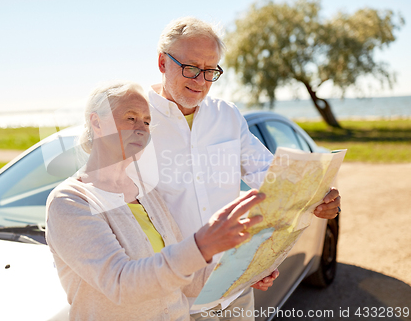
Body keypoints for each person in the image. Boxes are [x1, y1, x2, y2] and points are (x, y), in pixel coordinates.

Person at [130, 17, 342, 320]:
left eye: (210, 71)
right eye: (190, 68)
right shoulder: (134, 121)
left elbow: (272, 178)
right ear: (163, 62)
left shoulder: (227, 116)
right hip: (174, 301)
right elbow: (117, 211)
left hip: (234, 293)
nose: (200, 81)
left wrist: (319, 197)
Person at [46, 81, 267, 321]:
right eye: (130, 118)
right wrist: (201, 246)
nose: (141, 129)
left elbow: (187, 278)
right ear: (97, 123)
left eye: (147, 121)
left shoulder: (146, 192)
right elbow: (121, 283)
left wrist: (245, 271)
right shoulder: (69, 201)